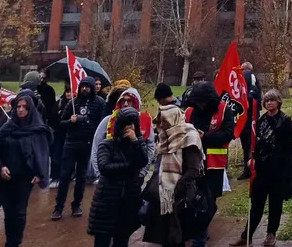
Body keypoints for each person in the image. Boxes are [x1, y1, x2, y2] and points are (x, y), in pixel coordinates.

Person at [234, 89, 292, 247]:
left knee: (275, 204)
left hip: (278, 170)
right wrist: (251, 158)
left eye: (272, 100)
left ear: (278, 102)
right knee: (256, 204)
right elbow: (254, 143)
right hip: (261, 170)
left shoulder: (285, 121)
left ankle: (271, 234)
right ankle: (247, 235)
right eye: (266, 101)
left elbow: (289, 147)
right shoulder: (261, 120)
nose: (269, 103)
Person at [142, 104, 205, 247]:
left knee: (176, 237)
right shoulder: (165, 136)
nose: (161, 124)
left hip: (179, 196)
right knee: (163, 236)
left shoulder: (189, 136)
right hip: (162, 195)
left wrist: (177, 189)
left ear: (173, 119)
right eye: (160, 121)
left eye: (164, 121)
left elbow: (193, 169)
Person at [0, 94, 51, 247]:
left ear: (30, 109)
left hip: (26, 177)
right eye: (18, 106)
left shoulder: (37, 129)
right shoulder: (8, 126)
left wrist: (40, 173)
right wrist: (0, 167)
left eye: (24, 107)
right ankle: (9, 241)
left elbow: (43, 153)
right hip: (6, 176)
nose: (20, 110)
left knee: (19, 211)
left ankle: (14, 243)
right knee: (8, 212)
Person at [183, 80, 234, 247]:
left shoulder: (224, 110)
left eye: (203, 101)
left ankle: (200, 232)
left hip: (214, 165)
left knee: (209, 203)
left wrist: (205, 137)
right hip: (193, 164)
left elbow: (228, 134)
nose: (200, 105)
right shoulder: (190, 112)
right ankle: (197, 234)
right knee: (192, 200)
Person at [88, 107, 148, 247]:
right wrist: (129, 166)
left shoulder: (137, 144)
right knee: (102, 240)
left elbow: (143, 161)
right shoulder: (107, 145)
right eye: (127, 124)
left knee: (121, 241)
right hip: (107, 202)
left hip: (128, 202)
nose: (130, 128)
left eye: (133, 124)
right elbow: (105, 168)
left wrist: (135, 141)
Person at [53, 75, 107, 220]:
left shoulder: (100, 103)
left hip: (87, 144)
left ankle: (76, 204)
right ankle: (58, 207)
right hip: (71, 143)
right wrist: (71, 121)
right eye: (82, 86)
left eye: (87, 86)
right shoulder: (72, 103)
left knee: (81, 176)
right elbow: (61, 123)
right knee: (65, 176)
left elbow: (103, 124)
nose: (84, 89)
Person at [91, 87, 154, 182]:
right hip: (110, 176)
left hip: (134, 177)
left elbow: (150, 148)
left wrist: (143, 173)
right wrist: (99, 174)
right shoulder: (108, 121)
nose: (125, 104)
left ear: (136, 103)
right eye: (123, 100)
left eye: (129, 101)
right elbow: (96, 146)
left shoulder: (145, 121)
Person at [239, 62, 262, 180]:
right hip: (246, 116)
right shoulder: (247, 80)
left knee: (249, 143)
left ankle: (250, 167)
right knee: (247, 144)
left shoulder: (250, 78)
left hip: (250, 117)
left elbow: (253, 95)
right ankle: (248, 167)